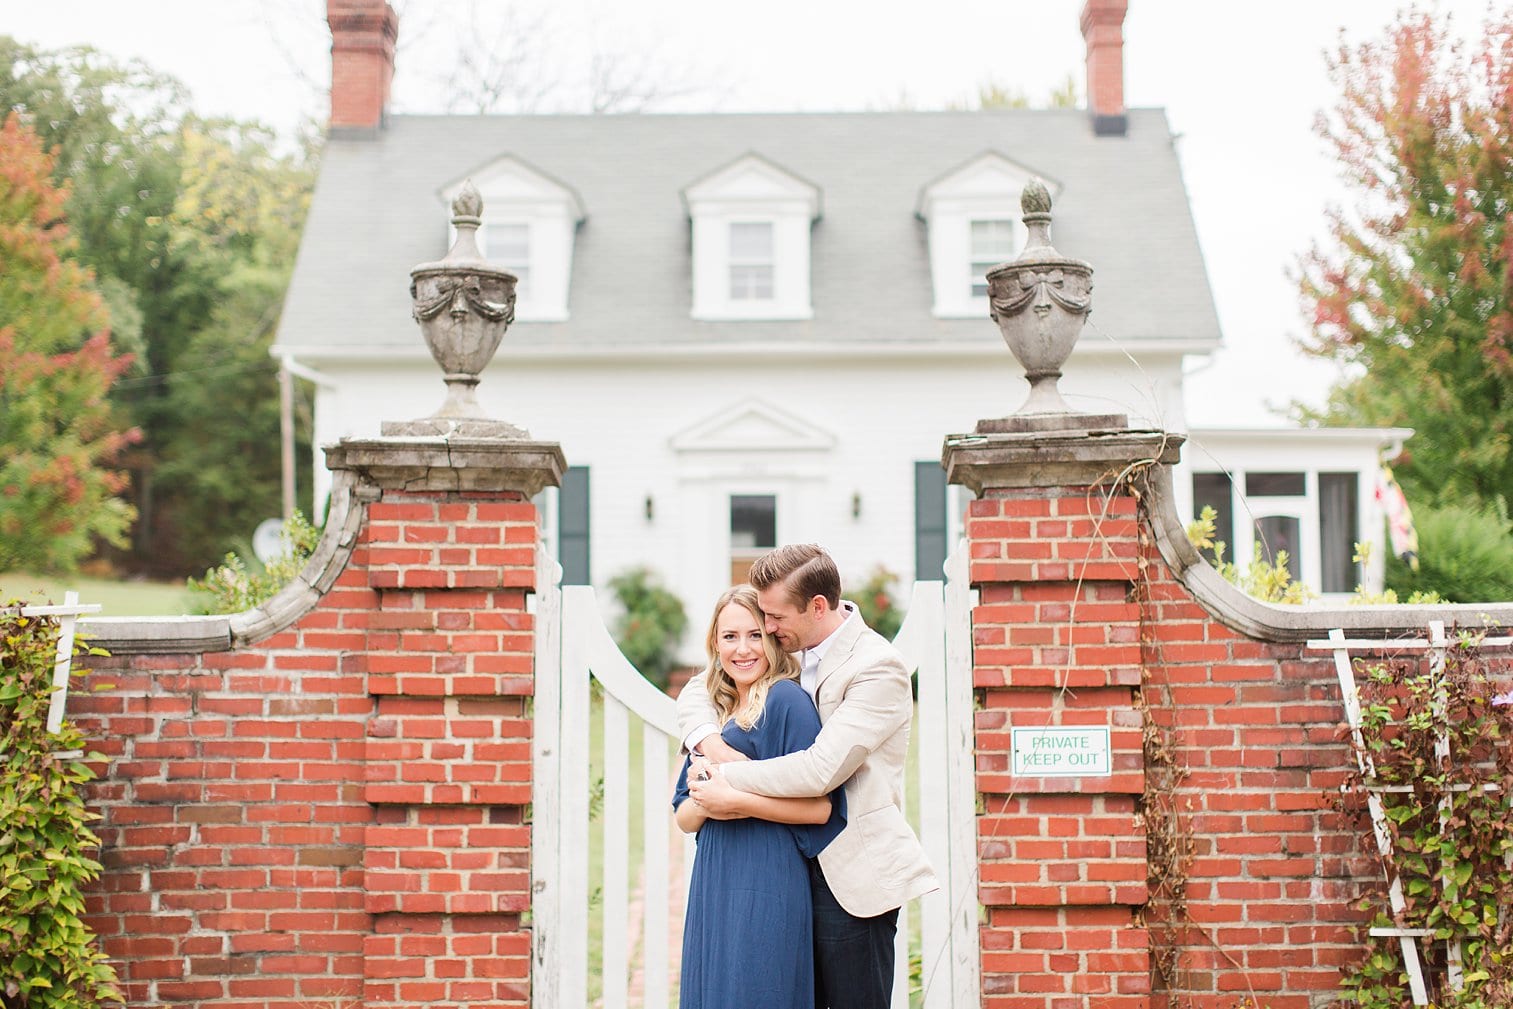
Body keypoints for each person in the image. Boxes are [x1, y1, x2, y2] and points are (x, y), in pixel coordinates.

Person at [680, 544, 938, 1009]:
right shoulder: (790, 652)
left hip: (850, 877)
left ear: (817, 606)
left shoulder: (876, 667)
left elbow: (819, 770)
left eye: (774, 617)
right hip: (787, 873)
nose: (768, 628)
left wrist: (725, 780)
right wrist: (708, 738)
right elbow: (706, 683)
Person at [673, 584, 846, 1009]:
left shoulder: (787, 700)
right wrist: (706, 794)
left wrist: (733, 797)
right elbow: (683, 814)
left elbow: (821, 808)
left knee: (760, 989)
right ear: (715, 642)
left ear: (772, 639)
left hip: (767, 877)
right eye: (730, 637)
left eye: (754, 635)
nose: (742, 649)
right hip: (715, 876)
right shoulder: (717, 711)